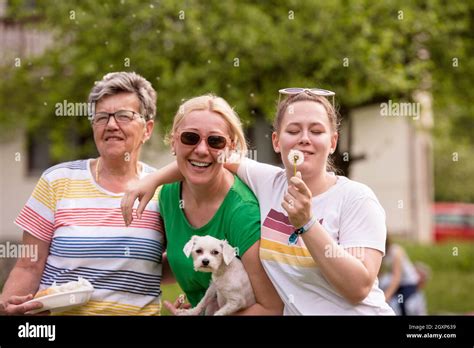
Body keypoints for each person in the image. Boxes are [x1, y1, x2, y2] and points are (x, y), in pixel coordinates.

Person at [122, 88, 395, 315]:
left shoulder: (357, 199)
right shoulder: (268, 182)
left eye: (316, 131)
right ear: (276, 141)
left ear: (333, 141)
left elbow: (358, 287)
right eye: (293, 130)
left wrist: (307, 224)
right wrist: (153, 180)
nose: (304, 139)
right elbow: (205, 157)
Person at [0, 72, 165, 315]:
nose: (110, 125)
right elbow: (28, 265)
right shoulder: (57, 181)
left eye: (123, 116)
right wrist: (8, 307)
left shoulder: (164, 191)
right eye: (101, 117)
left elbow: (181, 261)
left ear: (147, 129)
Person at [124, 94, 282, 315]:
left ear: (230, 148)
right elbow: (179, 260)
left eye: (215, 141)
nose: (201, 150)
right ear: (173, 141)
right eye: (190, 138)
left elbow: (272, 308)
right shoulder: (169, 194)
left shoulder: (242, 212)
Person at [379, 236, 428, 315]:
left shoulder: (396, 251)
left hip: (408, 283)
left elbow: (396, 277)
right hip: (400, 283)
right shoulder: (383, 253)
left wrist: (386, 297)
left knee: (402, 303)